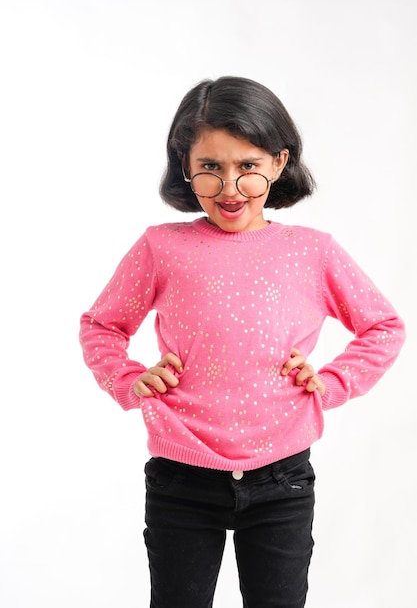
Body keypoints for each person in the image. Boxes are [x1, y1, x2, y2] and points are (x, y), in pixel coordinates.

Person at [79, 76, 405, 607]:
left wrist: (333, 380)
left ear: (278, 163)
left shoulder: (312, 251)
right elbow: (101, 324)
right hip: (181, 478)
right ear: (185, 167)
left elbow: (383, 326)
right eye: (210, 167)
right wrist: (128, 376)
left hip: (283, 481)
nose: (230, 187)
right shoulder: (161, 247)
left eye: (247, 166)